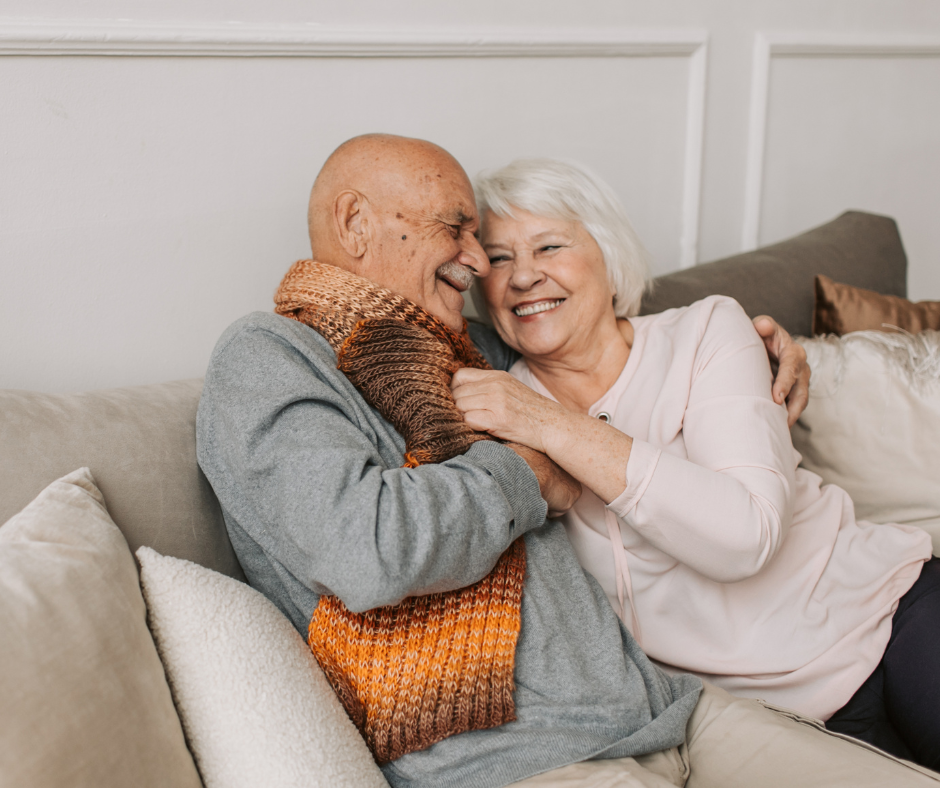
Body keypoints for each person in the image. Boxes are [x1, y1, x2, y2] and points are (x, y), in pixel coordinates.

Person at [196, 134, 938, 788]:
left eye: (541, 246)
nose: (485, 263)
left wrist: (776, 352)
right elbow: (365, 549)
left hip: (713, 694)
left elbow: (598, 344)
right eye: (468, 237)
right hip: (564, 747)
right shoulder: (288, 357)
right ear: (355, 222)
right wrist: (528, 473)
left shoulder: (487, 360)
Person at [451, 156, 940, 770]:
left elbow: (746, 536)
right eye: (499, 259)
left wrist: (553, 425)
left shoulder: (706, 331)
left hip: (886, 613)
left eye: (549, 246)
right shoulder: (494, 404)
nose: (524, 276)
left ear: (608, 256)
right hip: (772, 719)